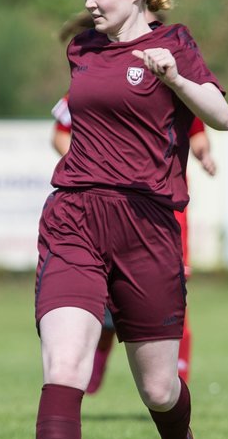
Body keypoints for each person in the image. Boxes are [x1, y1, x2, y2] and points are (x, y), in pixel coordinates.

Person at [35, 0, 228, 439]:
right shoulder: (82, 49)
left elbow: (222, 116)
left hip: (147, 226)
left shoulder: (175, 47)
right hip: (74, 219)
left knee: (157, 389)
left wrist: (175, 77)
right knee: (63, 366)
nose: (88, 4)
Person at [51, 95, 216, 394]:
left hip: (165, 212)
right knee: (107, 296)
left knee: (173, 300)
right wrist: (84, 163)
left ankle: (175, 388)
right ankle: (98, 354)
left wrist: (204, 154)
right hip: (111, 210)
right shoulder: (101, 82)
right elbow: (60, 133)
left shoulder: (177, 89)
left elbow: (198, 132)